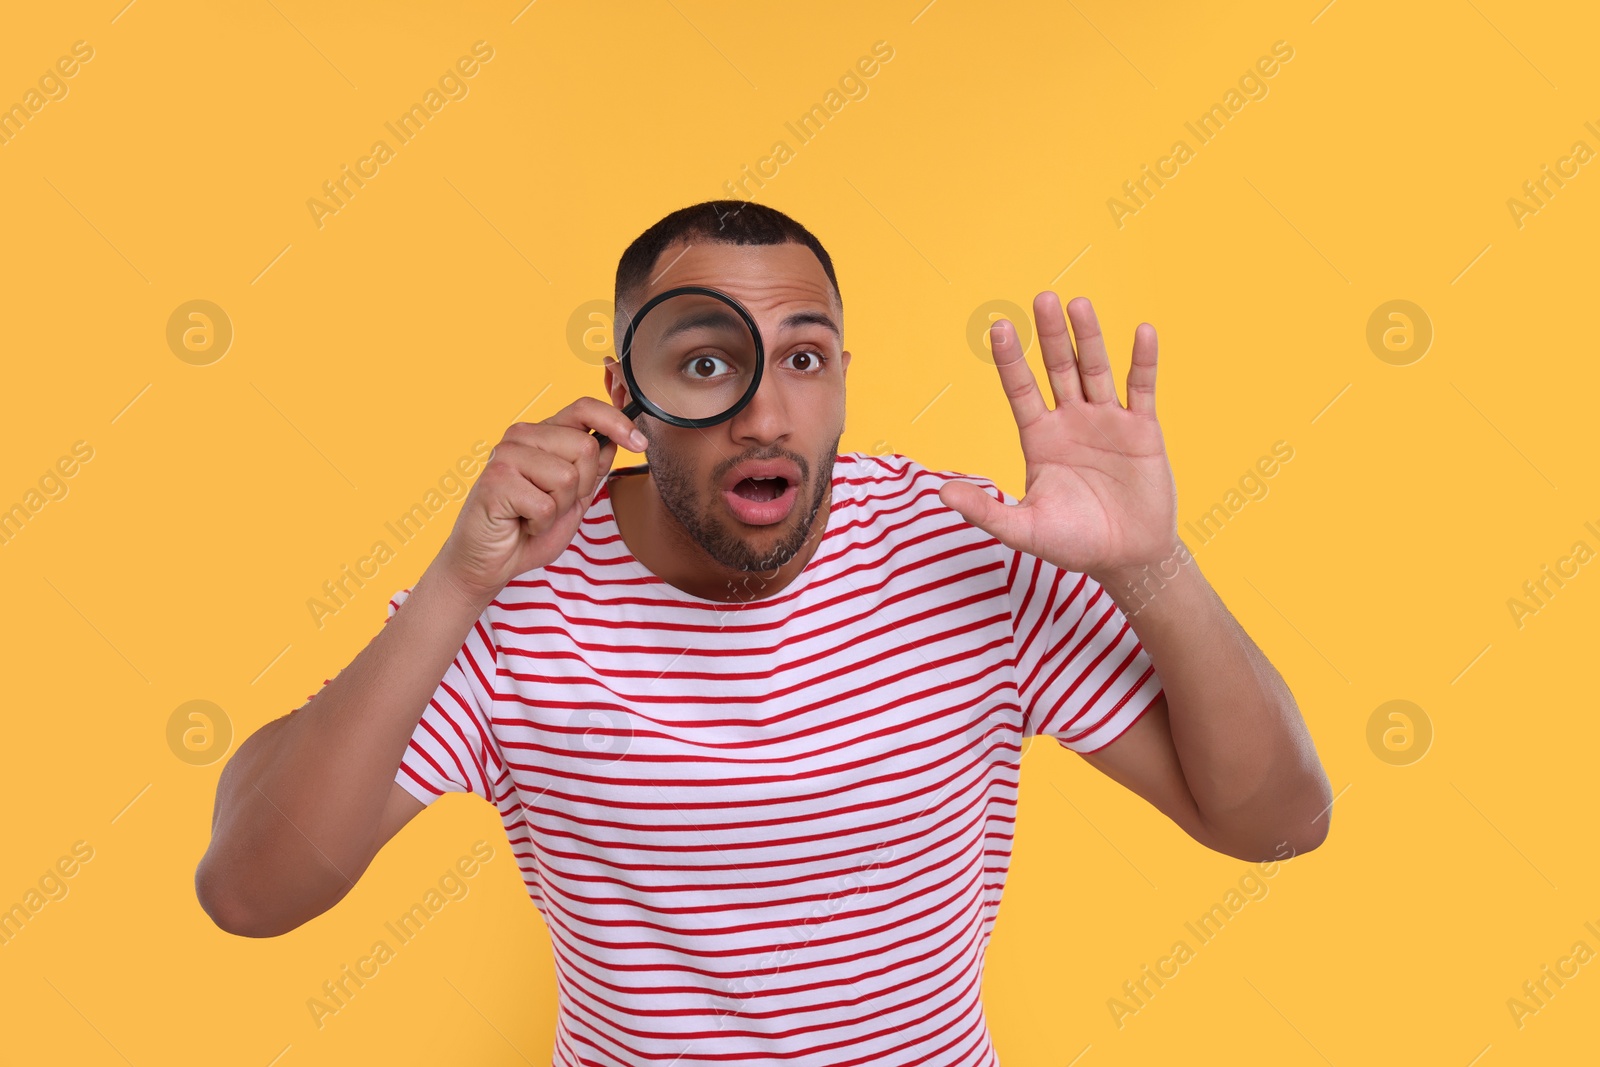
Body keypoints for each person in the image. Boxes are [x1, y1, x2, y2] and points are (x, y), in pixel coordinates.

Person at [196, 201, 1331, 1064]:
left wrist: (1150, 567)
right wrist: (455, 583)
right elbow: (253, 890)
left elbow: (1277, 824)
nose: (763, 411)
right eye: (704, 361)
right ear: (624, 396)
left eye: (802, 356)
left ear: (841, 378)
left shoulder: (966, 544)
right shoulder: (520, 589)